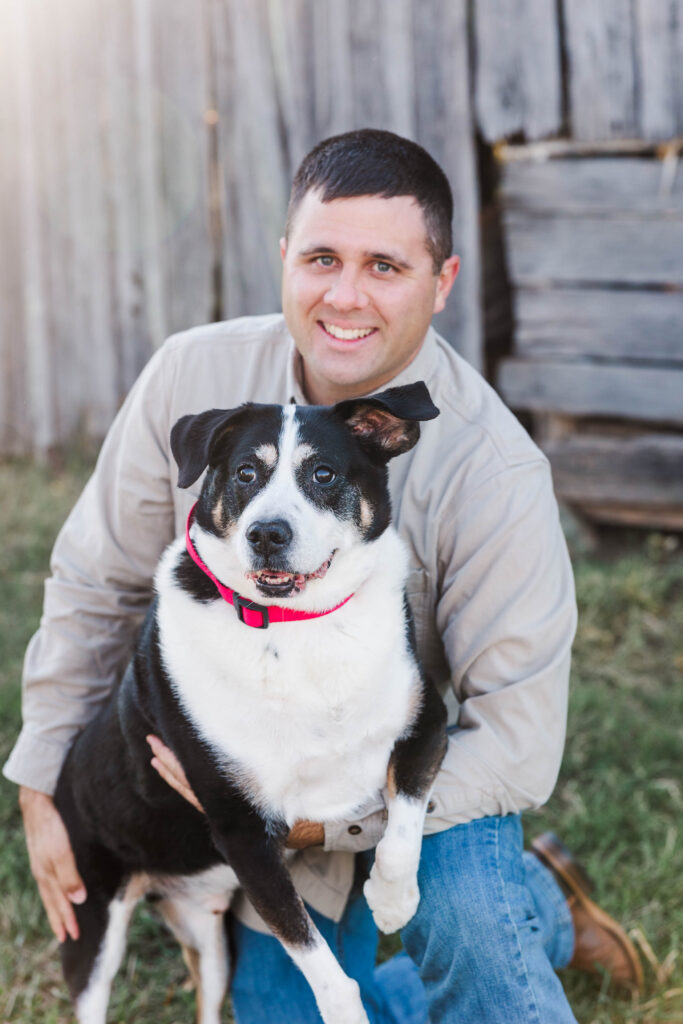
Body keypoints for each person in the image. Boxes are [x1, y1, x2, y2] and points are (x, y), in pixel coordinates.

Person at [5, 129, 642, 1023]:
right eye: (321, 258)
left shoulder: (495, 473)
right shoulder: (194, 374)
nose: (345, 296)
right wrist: (44, 784)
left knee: (465, 928)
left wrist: (320, 822)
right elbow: (93, 579)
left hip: (409, 783)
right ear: (283, 261)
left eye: (385, 265)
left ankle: (534, 900)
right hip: (253, 786)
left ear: (442, 282)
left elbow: (518, 742)